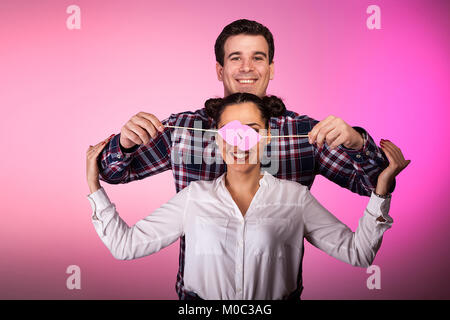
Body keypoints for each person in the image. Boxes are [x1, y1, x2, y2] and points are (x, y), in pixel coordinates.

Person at [96, 19, 395, 299]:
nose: (247, 67)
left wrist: (359, 143)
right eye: (236, 57)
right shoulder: (185, 129)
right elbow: (113, 173)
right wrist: (123, 144)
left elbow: (374, 184)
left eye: (258, 57)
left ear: (271, 68)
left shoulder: (306, 134)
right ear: (219, 69)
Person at [87, 93, 410, 300]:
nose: (241, 142)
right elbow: (125, 245)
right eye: (231, 132)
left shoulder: (294, 198)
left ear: (267, 137)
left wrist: (381, 190)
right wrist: (94, 184)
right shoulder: (194, 198)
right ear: (216, 140)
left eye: (252, 130)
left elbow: (358, 253)